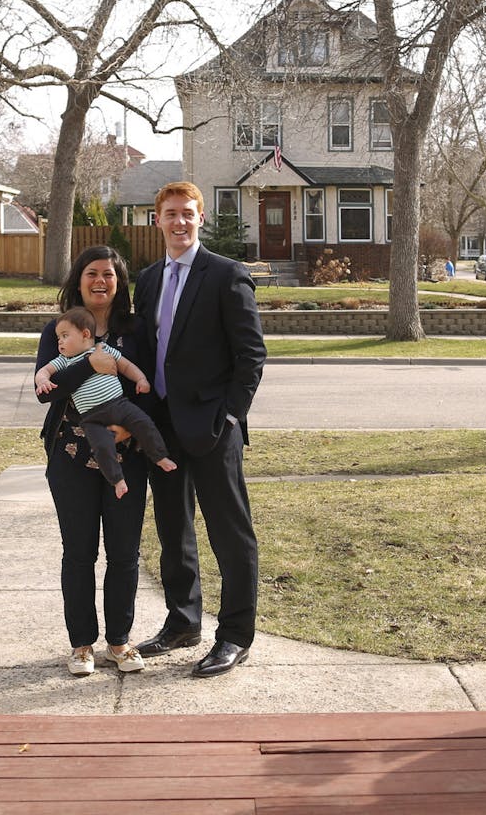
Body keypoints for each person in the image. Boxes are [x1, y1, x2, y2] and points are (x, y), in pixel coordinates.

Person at [134, 181, 267, 678]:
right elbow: (145, 349)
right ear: (158, 220)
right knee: (174, 529)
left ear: (201, 218)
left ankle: (234, 635)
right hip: (163, 429)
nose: (179, 222)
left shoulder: (227, 275)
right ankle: (183, 621)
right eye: (170, 213)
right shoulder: (148, 280)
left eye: (188, 213)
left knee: (230, 534)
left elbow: (251, 356)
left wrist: (230, 416)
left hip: (214, 428)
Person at [34, 246, 152, 677]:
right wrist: (92, 364)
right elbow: (46, 388)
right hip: (70, 456)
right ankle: (81, 645)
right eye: (91, 273)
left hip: (127, 458)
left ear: (119, 282)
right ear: (78, 279)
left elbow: (149, 385)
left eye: (109, 273)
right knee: (79, 554)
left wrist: (132, 429)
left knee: (124, 553)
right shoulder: (59, 328)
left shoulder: (134, 330)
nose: (100, 281)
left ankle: (119, 642)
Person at [35, 305, 178, 497]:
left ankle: (160, 456)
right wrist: (43, 380)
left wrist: (141, 379)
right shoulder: (64, 360)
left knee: (144, 423)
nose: (59, 341)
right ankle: (117, 480)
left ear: (85, 333)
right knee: (102, 447)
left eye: (64, 336)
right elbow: (44, 371)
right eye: (59, 337)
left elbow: (126, 366)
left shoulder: (102, 349)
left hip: (119, 405)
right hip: (91, 418)